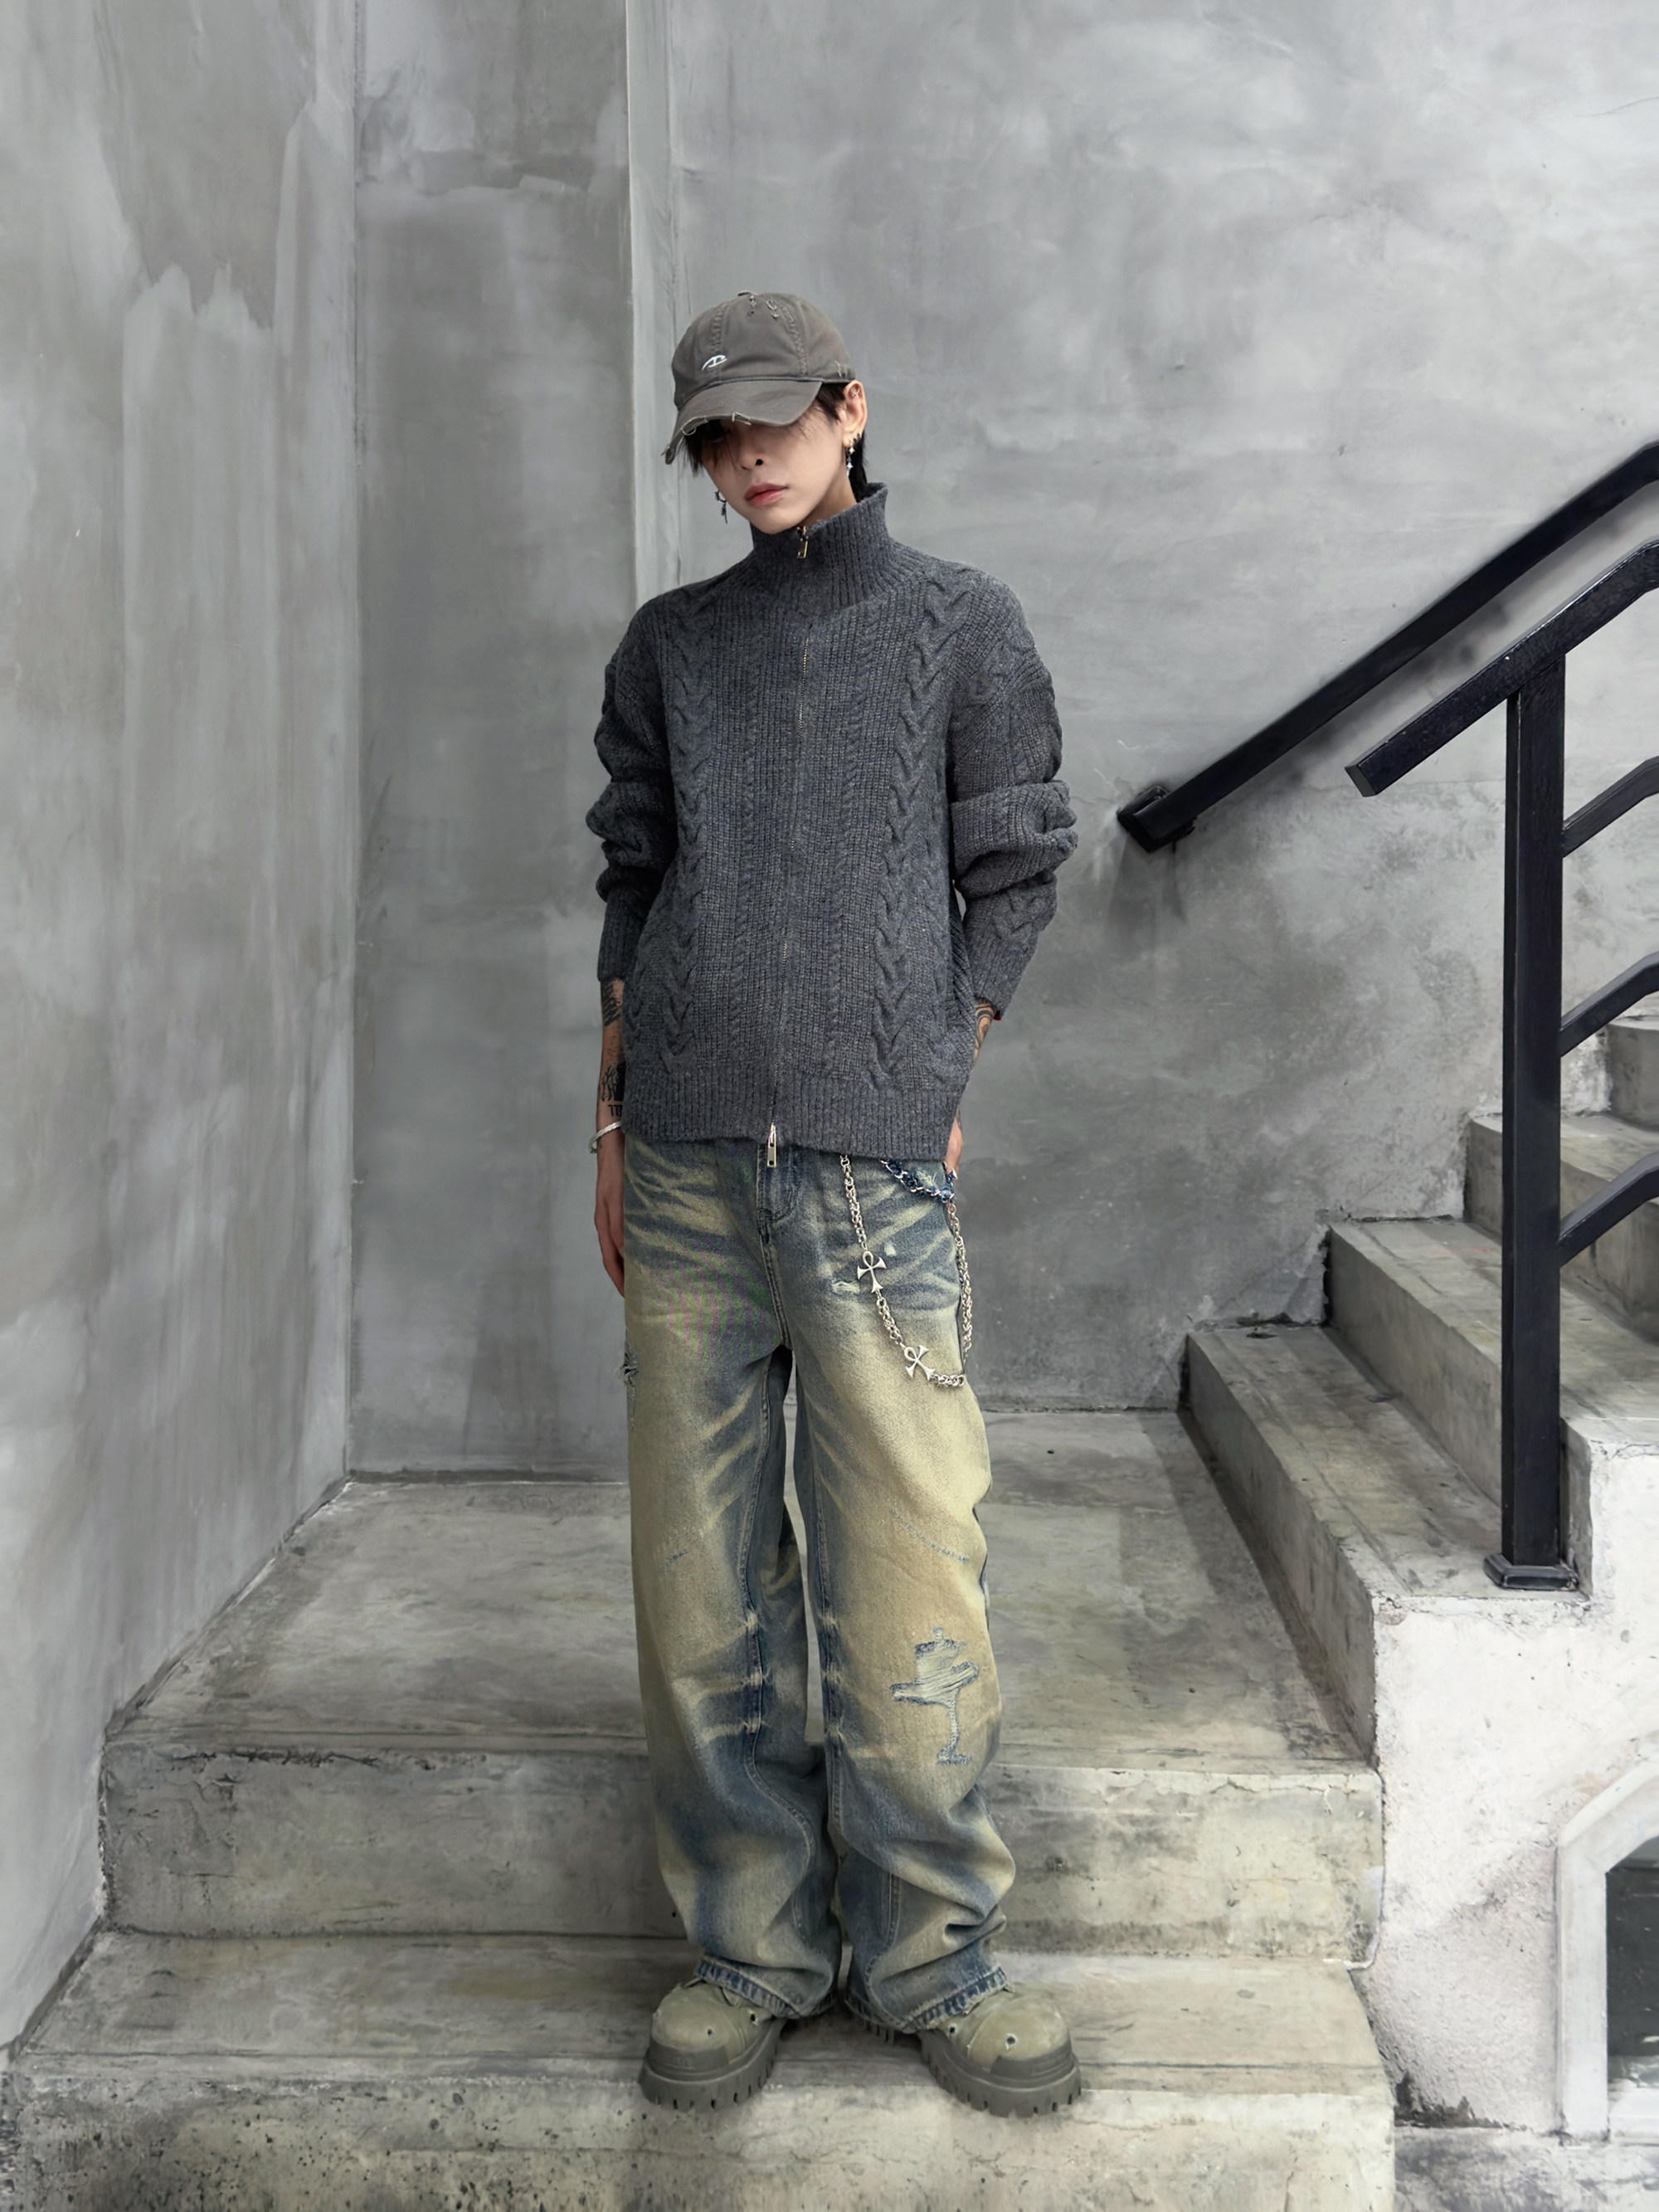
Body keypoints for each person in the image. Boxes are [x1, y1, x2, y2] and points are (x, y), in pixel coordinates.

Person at [586, 290, 1078, 2117]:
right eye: (718, 438)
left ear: (852, 410)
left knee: (906, 1570)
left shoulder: (962, 622)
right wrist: (609, 1123)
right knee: (698, 1585)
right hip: (687, 1167)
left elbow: (1016, 863)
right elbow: (633, 880)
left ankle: (936, 1953)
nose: (750, 460)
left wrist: (937, 1065)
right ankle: (750, 1947)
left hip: (875, 1178)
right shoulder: (672, 646)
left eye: (778, 421)